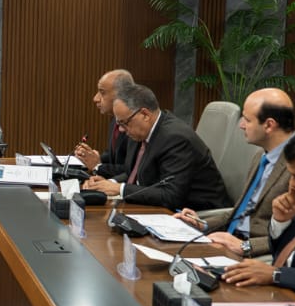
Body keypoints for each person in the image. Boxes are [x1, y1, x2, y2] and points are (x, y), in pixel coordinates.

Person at [176, 88, 295, 258]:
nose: (241, 125)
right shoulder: (260, 156)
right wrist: (201, 224)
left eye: (247, 120)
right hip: (227, 240)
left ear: (269, 125)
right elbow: (240, 212)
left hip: (254, 254)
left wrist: (245, 246)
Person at [222, 126, 295, 293]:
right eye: (291, 175)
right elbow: (279, 253)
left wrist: (276, 275)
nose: (293, 185)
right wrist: (280, 222)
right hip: (273, 291)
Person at [84, 83, 229, 211]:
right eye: (119, 124)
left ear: (145, 115)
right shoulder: (139, 131)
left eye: (124, 123)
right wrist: (109, 183)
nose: (121, 130)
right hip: (161, 208)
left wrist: (119, 189)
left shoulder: (175, 138)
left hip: (198, 214)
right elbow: (132, 173)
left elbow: (170, 195)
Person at [74, 68, 134, 177]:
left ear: (121, 94)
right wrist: (91, 158)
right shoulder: (114, 120)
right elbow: (112, 157)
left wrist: (98, 166)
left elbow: (133, 171)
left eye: (102, 92)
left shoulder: (134, 125)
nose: (95, 98)